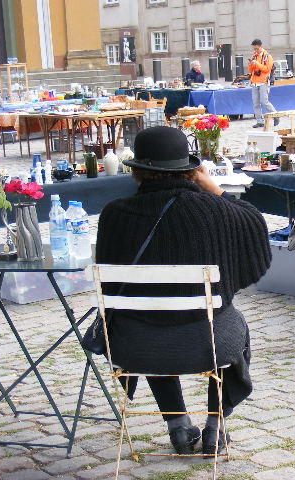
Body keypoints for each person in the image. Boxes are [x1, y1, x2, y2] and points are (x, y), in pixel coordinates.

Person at [96, 126, 271, 455]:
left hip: (135, 345)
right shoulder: (215, 210)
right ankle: (215, 427)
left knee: (148, 315)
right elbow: (254, 223)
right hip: (209, 342)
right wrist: (213, 188)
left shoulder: (113, 215)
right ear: (190, 171)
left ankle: (177, 426)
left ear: (138, 173)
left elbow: (109, 284)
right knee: (231, 321)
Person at [248, 39, 278, 128]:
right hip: (254, 82)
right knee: (255, 103)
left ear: (261, 47)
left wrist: (257, 64)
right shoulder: (254, 55)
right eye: (254, 49)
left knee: (264, 102)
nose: (255, 51)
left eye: (256, 49)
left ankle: (276, 115)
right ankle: (260, 121)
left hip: (263, 81)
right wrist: (250, 64)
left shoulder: (268, 57)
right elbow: (250, 70)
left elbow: (267, 69)